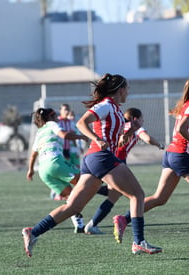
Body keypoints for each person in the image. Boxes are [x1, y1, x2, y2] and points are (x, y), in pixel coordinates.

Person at [22, 73, 162, 257]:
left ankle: (34, 232)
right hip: (101, 157)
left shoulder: (116, 109)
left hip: (94, 159)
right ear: (120, 90)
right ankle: (138, 242)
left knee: (73, 207)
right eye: (127, 88)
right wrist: (96, 138)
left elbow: (116, 141)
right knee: (137, 194)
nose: (128, 92)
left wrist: (128, 135)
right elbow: (81, 123)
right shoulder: (105, 105)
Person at [113, 77, 189, 249]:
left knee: (160, 198)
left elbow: (182, 130)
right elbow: (181, 129)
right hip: (181, 156)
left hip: (171, 154)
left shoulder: (188, 105)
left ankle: (124, 219)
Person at [83, 107, 165, 235]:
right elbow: (147, 138)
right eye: (142, 118)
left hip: (108, 159)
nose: (143, 121)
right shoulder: (136, 127)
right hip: (115, 162)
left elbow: (120, 142)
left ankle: (92, 222)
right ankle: (93, 223)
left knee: (114, 194)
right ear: (136, 119)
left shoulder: (121, 125)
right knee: (126, 195)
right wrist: (159, 145)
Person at [26, 107, 88, 233]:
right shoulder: (51, 124)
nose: (57, 118)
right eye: (55, 116)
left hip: (43, 171)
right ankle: (108, 193)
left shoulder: (39, 132)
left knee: (70, 197)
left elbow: (33, 155)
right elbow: (64, 135)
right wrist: (80, 136)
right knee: (85, 183)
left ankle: (79, 225)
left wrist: (30, 170)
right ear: (51, 117)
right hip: (54, 162)